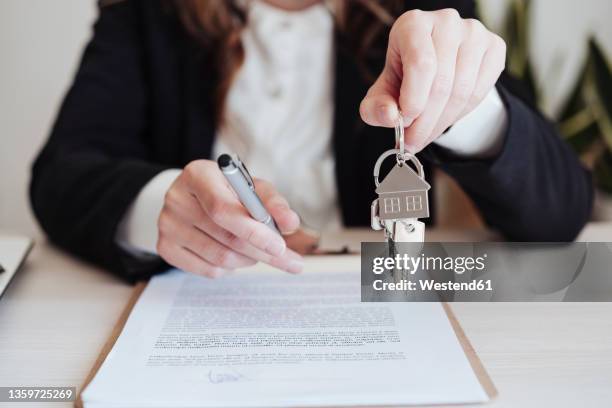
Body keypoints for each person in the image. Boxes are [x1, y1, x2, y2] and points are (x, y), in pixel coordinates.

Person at [30, 0, 593, 282]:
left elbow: (562, 208)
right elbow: (61, 172)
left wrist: (465, 105)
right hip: (204, 301)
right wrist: (161, 206)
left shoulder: (416, 8)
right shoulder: (146, 14)